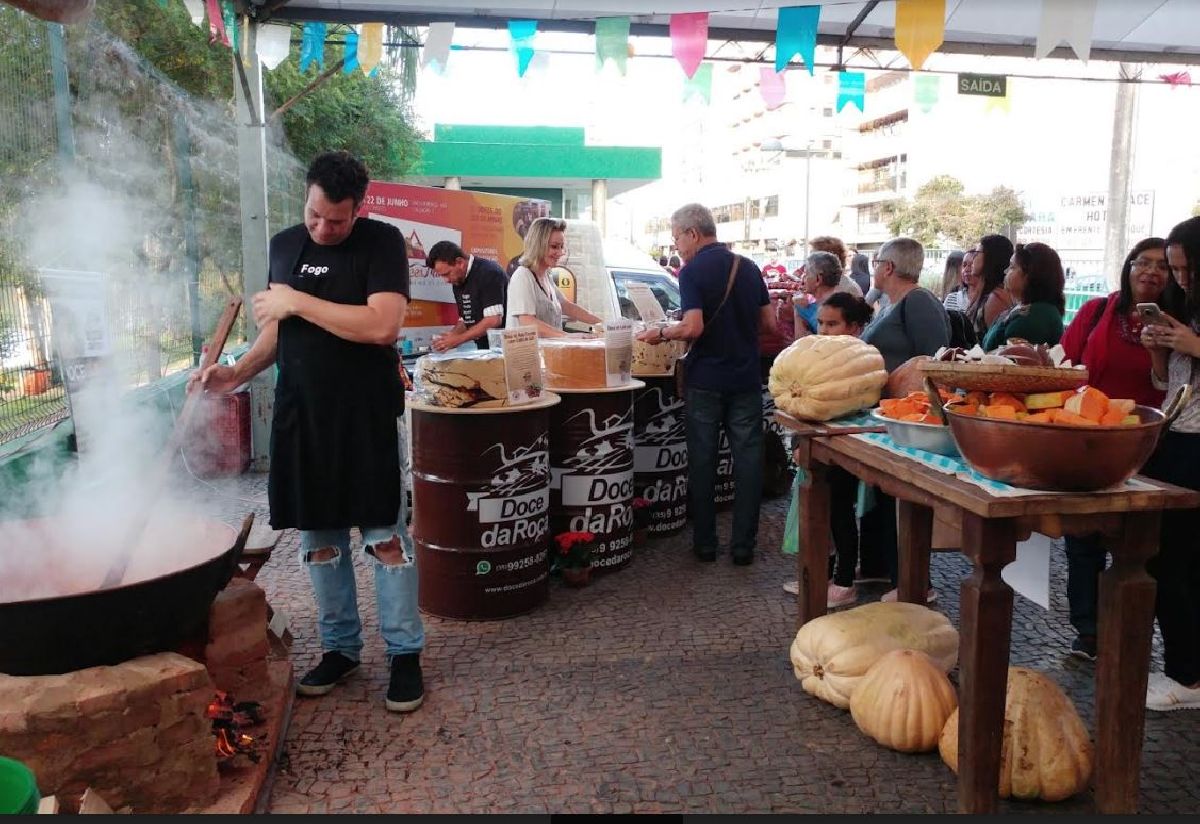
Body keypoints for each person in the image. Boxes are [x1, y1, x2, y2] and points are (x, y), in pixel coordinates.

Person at [191, 151, 425, 712]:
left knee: (385, 541)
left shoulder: (381, 243)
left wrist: (297, 299)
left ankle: (405, 654)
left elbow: (381, 324)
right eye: (315, 214)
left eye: (337, 220)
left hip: (363, 414)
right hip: (302, 416)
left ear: (358, 209)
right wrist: (235, 374)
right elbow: (276, 335)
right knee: (320, 545)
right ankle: (341, 649)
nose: (323, 228)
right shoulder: (285, 244)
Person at [1058, 237, 1179, 661]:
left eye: (1162, 265)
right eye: (1142, 262)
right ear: (1128, 268)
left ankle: (1133, 629)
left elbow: (1174, 384)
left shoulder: (1180, 324)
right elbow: (1066, 364)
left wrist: (1162, 348)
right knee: (1083, 537)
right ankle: (1089, 630)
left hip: (1153, 443)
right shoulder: (1096, 312)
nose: (1151, 271)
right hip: (1090, 438)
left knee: (1139, 543)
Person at [636, 203, 775, 564]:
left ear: (693, 233)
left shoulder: (692, 270)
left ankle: (706, 544)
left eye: (677, 237)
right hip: (745, 378)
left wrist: (662, 332)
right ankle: (744, 547)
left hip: (706, 380)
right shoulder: (747, 266)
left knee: (703, 461)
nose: (676, 245)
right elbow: (770, 323)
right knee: (747, 463)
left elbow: (693, 327)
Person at [861, 237, 950, 602]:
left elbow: (933, 362)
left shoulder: (919, 303)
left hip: (911, 419)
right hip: (888, 417)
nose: (872, 268)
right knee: (883, 494)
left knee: (906, 501)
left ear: (889, 268)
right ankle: (881, 568)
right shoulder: (891, 302)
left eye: (875, 262)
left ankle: (914, 582)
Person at [1139, 216, 1200, 711]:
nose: (1181, 278)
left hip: (1195, 446)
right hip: (1174, 436)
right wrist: (1159, 353)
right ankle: (1187, 667)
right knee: (1169, 557)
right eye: (1176, 269)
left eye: (1186, 267)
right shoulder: (1186, 307)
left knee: (1170, 559)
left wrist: (1192, 345)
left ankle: (1187, 674)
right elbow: (1171, 385)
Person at [782, 292, 877, 605]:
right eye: (820, 322)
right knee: (822, 509)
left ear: (854, 327)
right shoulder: (815, 355)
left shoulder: (863, 359)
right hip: (819, 444)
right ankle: (823, 575)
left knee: (840, 510)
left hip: (847, 444)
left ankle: (844, 580)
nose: (823, 329)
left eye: (832, 324)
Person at [506, 217, 601, 337]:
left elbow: (567, 306)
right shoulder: (523, 276)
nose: (560, 252)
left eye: (561, 247)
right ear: (538, 245)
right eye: (554, 247)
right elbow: (527, 321)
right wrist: (567, 337)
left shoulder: (546, 275)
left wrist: (602, 324)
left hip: (546, 353)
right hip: (526, 354)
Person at [980, 241, 1066, 351]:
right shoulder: (1028, 309)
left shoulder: (1035, 317)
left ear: (1029, 274)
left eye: (1012, 267)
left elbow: (992, 351)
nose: (1006, 271)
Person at [424, 241, 509, 351]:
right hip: (484, 349)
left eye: (447, 274)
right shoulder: (458, 279)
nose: (446, 280)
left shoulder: (489, 272)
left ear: (460, 262)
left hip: (506, 349)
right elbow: (466, 319)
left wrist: (458, 339)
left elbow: (493, 320)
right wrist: (450, 337)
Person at [965, 234, 1015, 342]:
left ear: (991, 257)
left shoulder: (996, 298)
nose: (973, 258)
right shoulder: (983, 292)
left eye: (977, 253)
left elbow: (994, 345)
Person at [792, 251, 844, 337]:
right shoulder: (843, 301)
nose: (803, 277)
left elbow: (802, 344)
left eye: (806, 273)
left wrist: (797, 311)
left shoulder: (824, 309)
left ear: (817, 280)